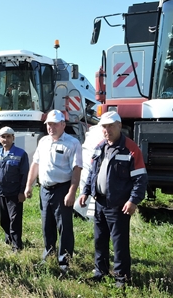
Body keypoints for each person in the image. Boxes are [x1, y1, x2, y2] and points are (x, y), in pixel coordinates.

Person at [78, 111, 148, 288]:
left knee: (119, 243)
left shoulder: (131, 149)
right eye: (104, 127)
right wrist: (85, 192)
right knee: (99, 239)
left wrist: (133, 200)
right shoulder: (100, 146)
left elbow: (140, 179)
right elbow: (92, 173)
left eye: (110, 126)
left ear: (119, 125)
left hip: (119, 205)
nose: (107, 130)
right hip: (100, 202)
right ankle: (99, 271)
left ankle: (121, 278)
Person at [24, 109, 82, 274]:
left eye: (55, 124)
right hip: (45, 190)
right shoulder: (43, 141)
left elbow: (77, 169)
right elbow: (35, 164)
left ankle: (65, 263)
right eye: (49, 124)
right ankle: (48, 254)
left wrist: (72, 192)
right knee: (47, 225)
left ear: (63, 124)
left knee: (64, 227)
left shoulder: (72, 143)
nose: (51, 127)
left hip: (62, 190)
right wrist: (29, 186)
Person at [0, 126, 29, 252]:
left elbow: (24, 174)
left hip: (15, 192)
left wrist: (22, 191)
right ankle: (9, 239)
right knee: (4, 220)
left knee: (15, 220)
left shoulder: (21, 154)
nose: (5, 139)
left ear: (13, 138)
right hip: (1, 191)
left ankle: (17, 245)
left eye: (8, 137)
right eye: (3, 137)